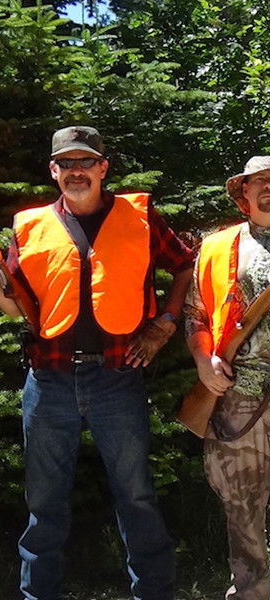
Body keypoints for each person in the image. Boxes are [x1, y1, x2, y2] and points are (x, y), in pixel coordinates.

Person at [0, 126, 194, 600]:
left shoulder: (139, 216)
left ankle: (154, 593)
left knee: (136, 495)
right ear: (53, 171)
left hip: (117, 377)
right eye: (66, 163)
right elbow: (13, 307)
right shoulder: (30, 226)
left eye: (85, 161)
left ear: (103, 168)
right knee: (44, 501)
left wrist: (164, 325)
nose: (76, 171)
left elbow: (185, 266)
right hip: (48, 379)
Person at [184, 156, 270, 600]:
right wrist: (204, 361)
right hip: (239, 394)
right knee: (241, 505)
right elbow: (194, 314)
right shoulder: (217, 247)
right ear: (243, 193)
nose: (268, 186)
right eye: (259, 181)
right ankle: (253, 592)